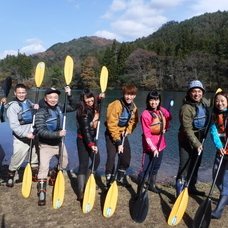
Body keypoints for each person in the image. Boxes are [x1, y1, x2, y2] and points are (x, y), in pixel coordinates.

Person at [35, 87, 77, 206]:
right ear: (46, 98)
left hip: (59, 144)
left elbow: (74, 107)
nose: (53, 99)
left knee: (63, 164)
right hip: (45, 145)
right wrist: (58, 134)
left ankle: (54, 173)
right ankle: (42, 193)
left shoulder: (60, 107)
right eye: (50, 97)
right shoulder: (41, 112)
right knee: (43, 168)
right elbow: (41, 131)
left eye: (55, 97)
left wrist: (69, 95)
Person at [176, 80, 210, 197]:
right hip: (186, 141)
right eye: (194, 91)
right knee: (184, 166)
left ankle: (191, 187)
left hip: (199, 140)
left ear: (202, 92)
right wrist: (197, 144)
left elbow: (212, 103)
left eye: (199, 91)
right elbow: (187, 130)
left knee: (196, 165)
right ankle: (179, 193)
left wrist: (220, 98)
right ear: (189, 93)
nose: (196, 94)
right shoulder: (186, 108)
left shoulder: (203, 102)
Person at [137, 91, 172, 194]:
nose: (154, 102)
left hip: (161, 143)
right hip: (149, 146)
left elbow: (169, 118)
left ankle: (152, 185)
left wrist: (166, 127)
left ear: (159, 101)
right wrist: (153, 148)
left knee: (156, 166)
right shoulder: (145, 114)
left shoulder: (162, 111)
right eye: (151, 100)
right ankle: (139, 191)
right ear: (148, 101)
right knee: (145, 168)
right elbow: (147, 134)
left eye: (156, 100)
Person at [5, 84, 39, 187]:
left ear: (26, 93)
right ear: (15, 93)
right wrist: (25, 134)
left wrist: (36, 107)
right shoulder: (13, 107)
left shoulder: (29, 102)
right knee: (17, 158)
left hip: (33, 135)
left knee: (35, 156)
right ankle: (10, 176)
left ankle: (34, 174)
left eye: (23, 92)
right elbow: (14, 126)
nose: (21, 95)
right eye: (19, 92)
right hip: (21, 138)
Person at [105, 85, 138, 188]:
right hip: (111, 133)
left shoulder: (134, 107)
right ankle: (109, 180)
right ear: (123, 94)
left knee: (126, 157)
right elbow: (111, 124)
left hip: (123, 133)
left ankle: (120, 177)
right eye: (127, 94)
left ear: (135, 96)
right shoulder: (115, 105)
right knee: (111, 156)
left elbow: (134, 121)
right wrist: (118, 142)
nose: (129, 97)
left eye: (132, 95)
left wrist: (127, 131)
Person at [76, 88, 104, 201]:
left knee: (96, 160)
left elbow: (94, 103)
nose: (90, 100)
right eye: (87, 98)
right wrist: (91, 144)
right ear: (83, 99)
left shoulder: (94, 106)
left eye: (91, 97)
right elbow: (86, 130)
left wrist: (99, 98)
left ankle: (89, 181)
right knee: (83, 164)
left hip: (92, 139)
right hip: (83, 140)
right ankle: (81, 192)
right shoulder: (83, 112)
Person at [210, 91, 228, 219]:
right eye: (217, 100)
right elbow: (213, 132)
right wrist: (219, 146)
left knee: (226, 181)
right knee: (216, 176)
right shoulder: (214, 114)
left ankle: (218, 211)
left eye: (222, 101)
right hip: (221, 151)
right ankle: (225, 196)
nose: (219, 103)